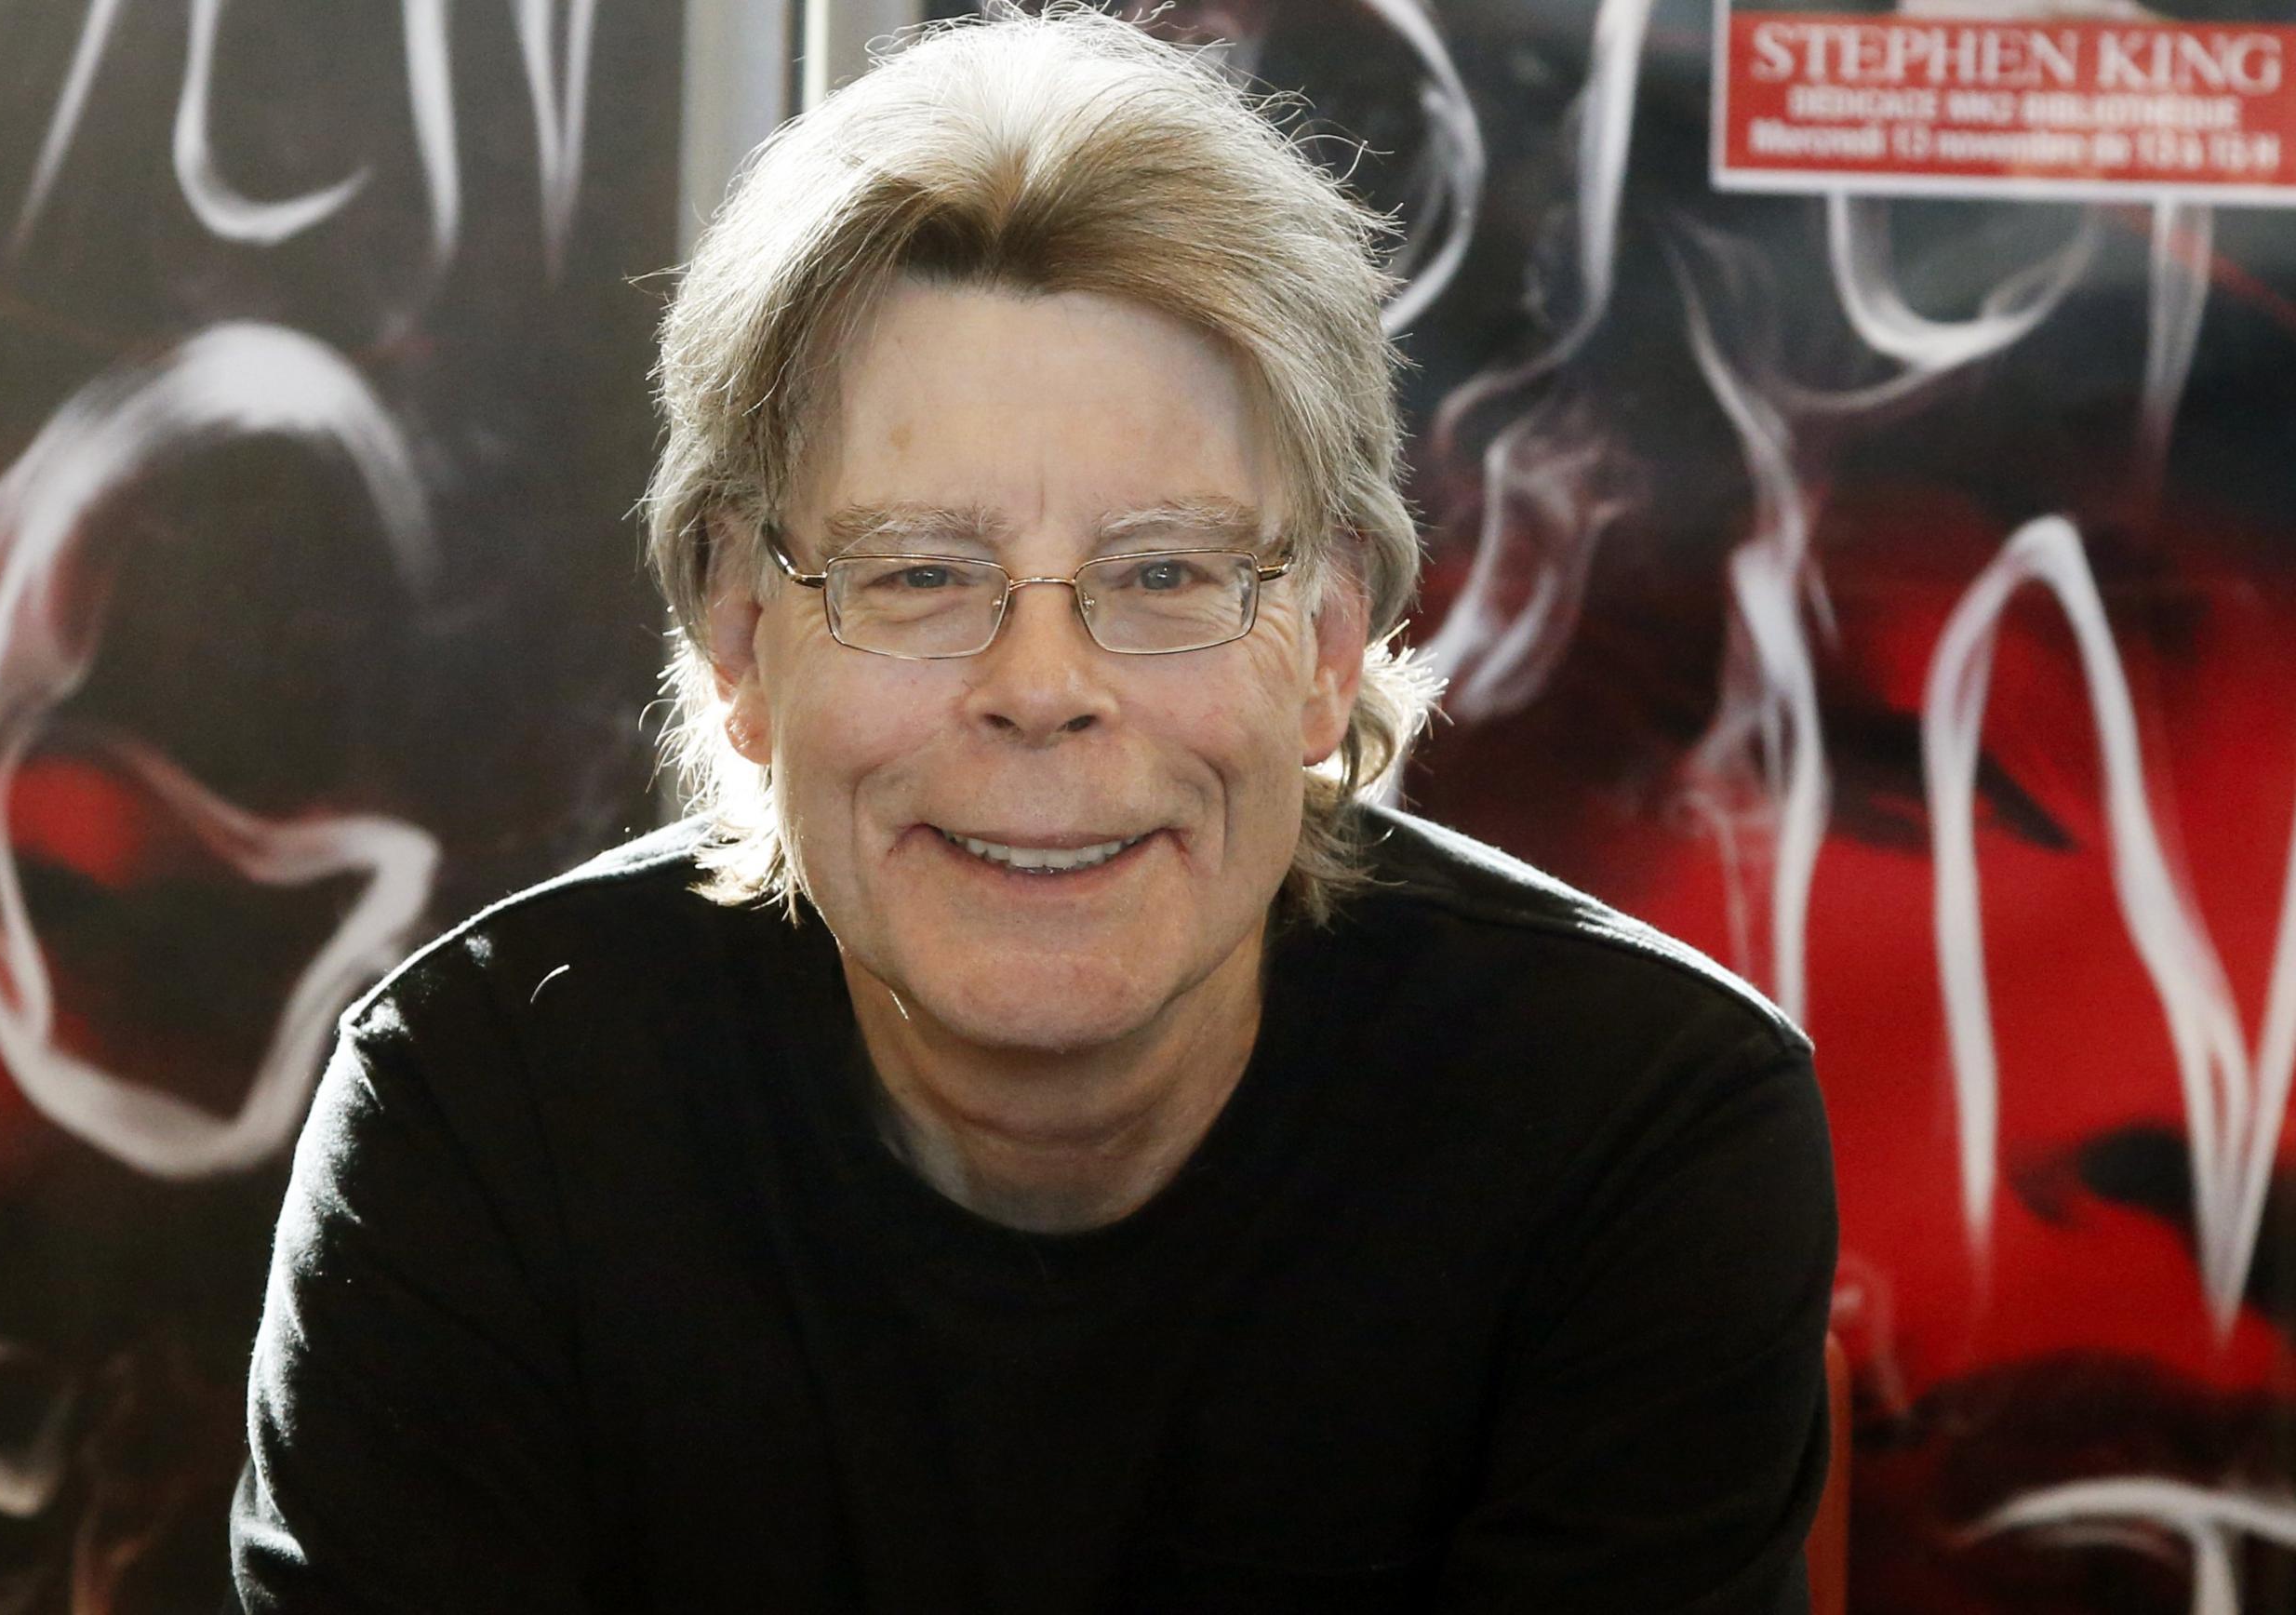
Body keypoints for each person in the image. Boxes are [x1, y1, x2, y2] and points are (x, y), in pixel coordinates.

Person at [227, 9, 1836, 1611]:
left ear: (1329, 645)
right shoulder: (484, 1121)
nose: (1043, 682)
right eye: (922, 573)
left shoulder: (1635, 1131)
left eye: (1164, 573)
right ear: (739, 639)